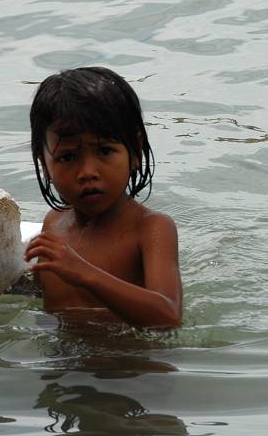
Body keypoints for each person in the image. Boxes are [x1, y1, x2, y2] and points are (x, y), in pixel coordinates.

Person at [24, 67, 182, 329]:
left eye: (105, 151)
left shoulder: (151, 229)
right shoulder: (53, 224)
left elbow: (168, 315)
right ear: (45, 166)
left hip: (132, 366)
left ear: (135, 153)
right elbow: (42, 296)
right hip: (62, 361)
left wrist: (83, 272)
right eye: (67, 157)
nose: (87, 172)